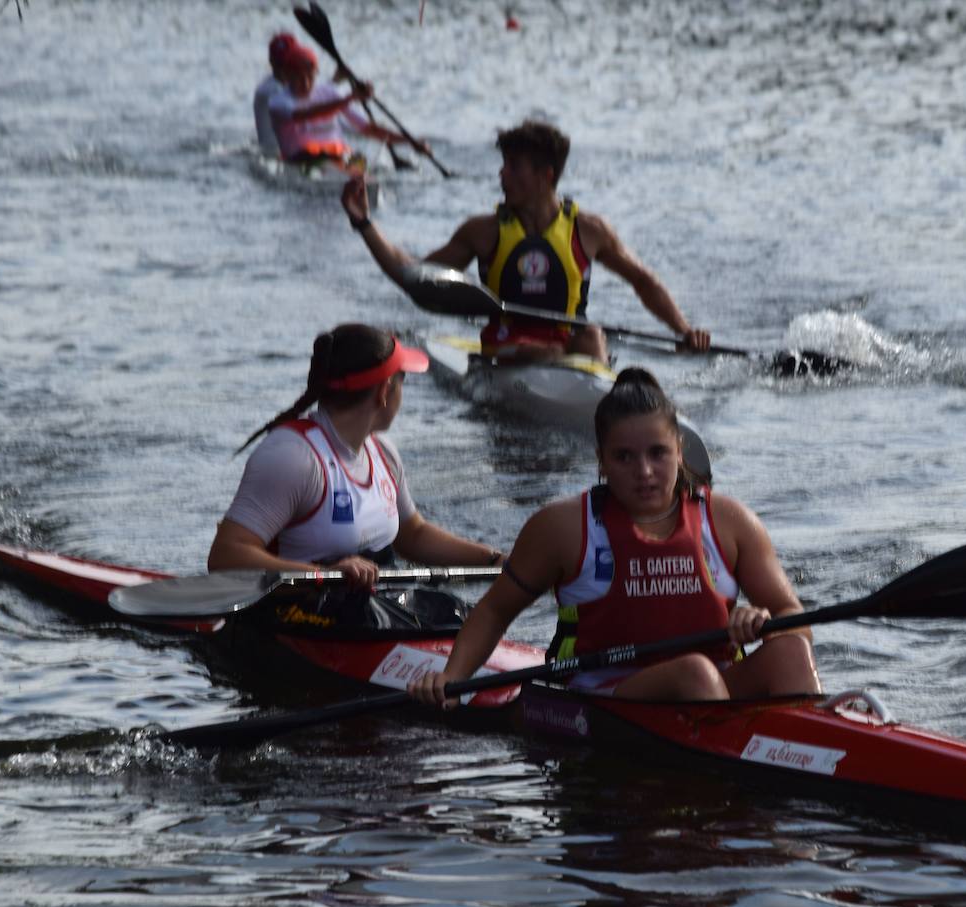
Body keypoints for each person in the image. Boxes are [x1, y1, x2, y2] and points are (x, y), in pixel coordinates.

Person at [408, 368, 820, 707]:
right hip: (609, 694)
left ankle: (814, 756)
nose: (644, 472)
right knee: (695, 671)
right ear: (601, 461)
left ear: (680, 450)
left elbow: (792, 617)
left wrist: (765, 625)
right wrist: (451, 679)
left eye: (657, 453)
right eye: (625, 457)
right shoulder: (562, 527)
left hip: (715, 686)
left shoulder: (730, 521)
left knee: (790, 652)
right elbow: (496, 610)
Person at [341, 120, 712, 364]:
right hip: (508, 353)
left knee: (592, 335)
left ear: (545, 175)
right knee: (559, 349)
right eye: (503, 164)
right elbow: (413, 275)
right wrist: (364, 223)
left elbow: (643, 282)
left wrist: (683, 331)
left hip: (569, 351)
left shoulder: (589, 229)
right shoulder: (483, 231)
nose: (501, 174)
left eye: (513, 166)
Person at [208, 323, 504, 591]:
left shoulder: (383, 452)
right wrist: (322, 574)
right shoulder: (293, 458)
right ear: (385, 391)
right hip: (300, 615)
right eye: (403, 380)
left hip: (367, 612)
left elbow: (412, 535)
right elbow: (226, 555)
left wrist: (497, 561)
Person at [264, 36, 432, 168]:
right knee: (324, 157)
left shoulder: (329, 92)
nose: (306, 82)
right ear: (286, 76)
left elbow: (369, 129)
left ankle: (361, 184)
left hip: (338, 156)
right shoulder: (277, 102)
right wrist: (351, 98)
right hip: (299, 159)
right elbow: (307, 115)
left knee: (360, 161)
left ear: (316, 74)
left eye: (310, 76)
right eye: (298, 76)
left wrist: (410, 141)